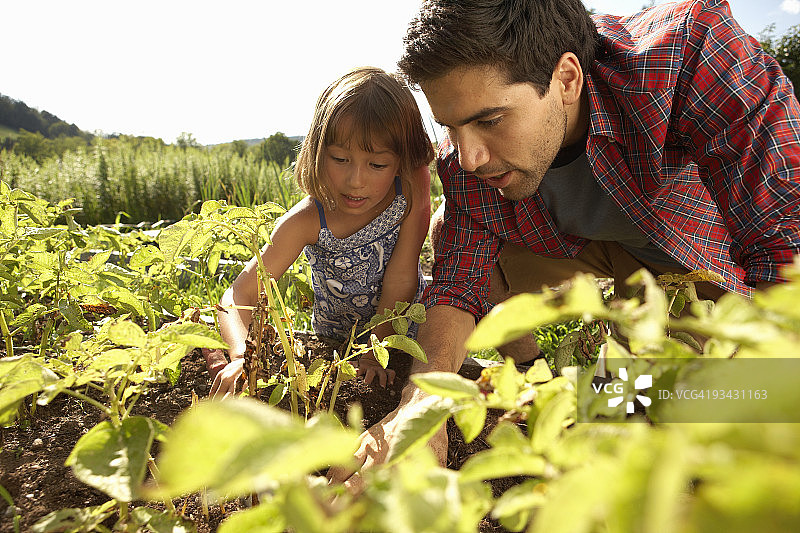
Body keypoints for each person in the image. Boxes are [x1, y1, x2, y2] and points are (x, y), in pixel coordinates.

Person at [328, 0, 800, 489]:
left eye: (489, 120)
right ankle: (534, 375)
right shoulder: (467, 158)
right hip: (580, 246)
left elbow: (786, 248)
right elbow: (456, 287)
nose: (469, 156)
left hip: (690, 262)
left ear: (567, 79)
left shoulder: (687, 58)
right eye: (450, 126)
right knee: (451, 227)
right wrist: (419, 409)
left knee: (665, 410)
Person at [208, 66, 434, 398]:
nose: (356, 180)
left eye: (377, 165)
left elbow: (401, 277)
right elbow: (239, 296)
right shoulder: (307, 221)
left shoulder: (412, 186)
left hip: (408, 336)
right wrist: (242, 356)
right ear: (317, 151)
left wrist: (375, 350)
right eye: (340, 159)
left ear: (401, 161)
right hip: (337, 347)